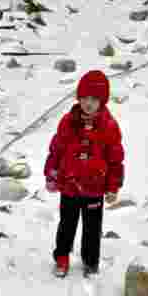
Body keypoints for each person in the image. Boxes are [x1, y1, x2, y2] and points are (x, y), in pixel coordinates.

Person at [44, 69, 125, 278]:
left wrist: (113, 186)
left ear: (103, 101)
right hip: (69, 185)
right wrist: (52, 174)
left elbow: (115, 159)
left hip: (95, 187)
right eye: (84, 98)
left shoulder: (109, 127)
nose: (88, 103)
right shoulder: (68, 122)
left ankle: (90, 261)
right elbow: (56, 150)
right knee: (66, 225)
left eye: (94, 99)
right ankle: (61, 257)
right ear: (78, 98)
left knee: (92, 228)